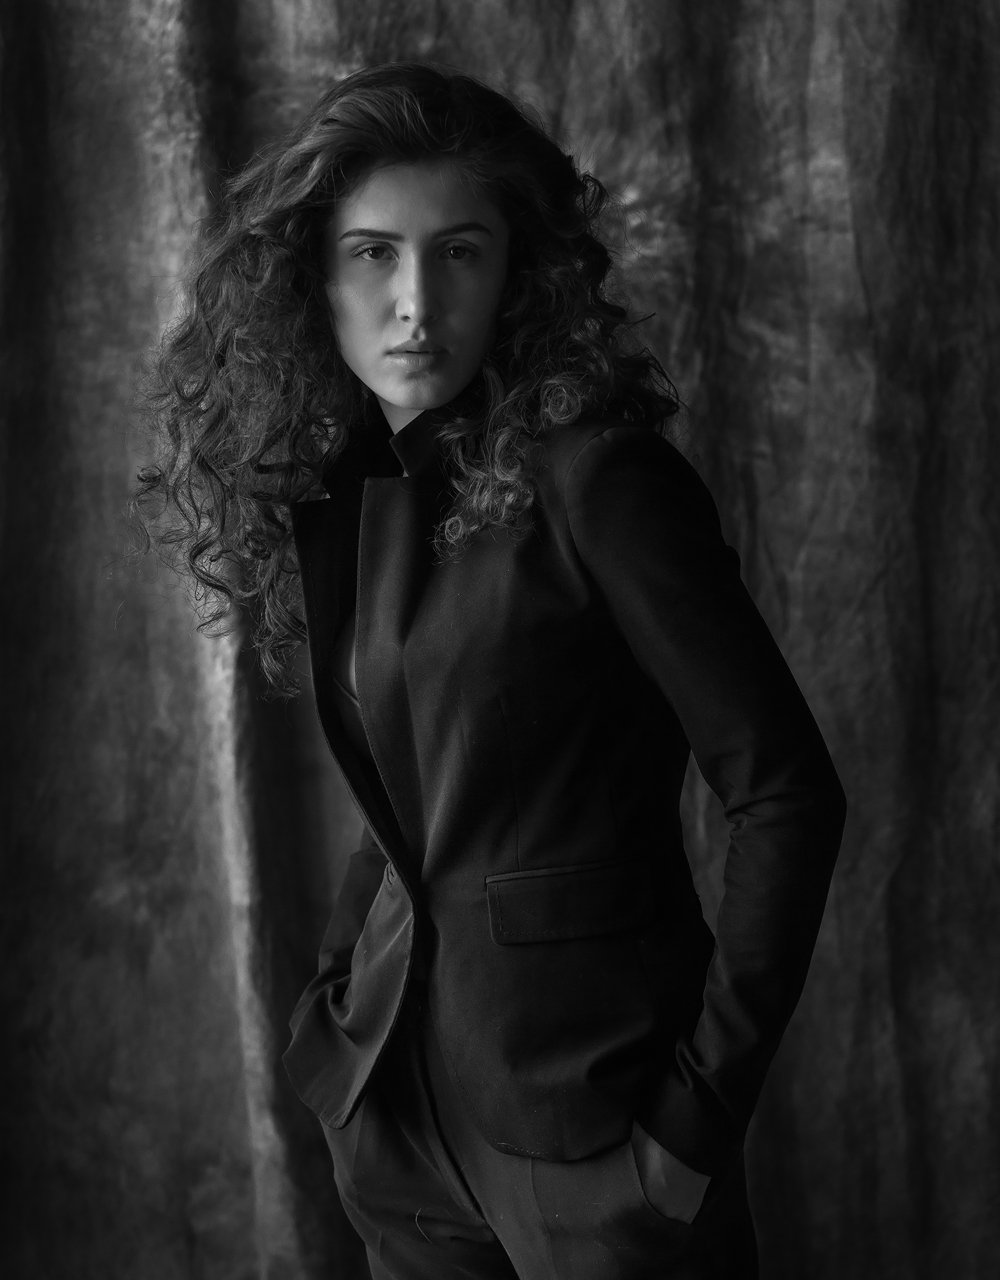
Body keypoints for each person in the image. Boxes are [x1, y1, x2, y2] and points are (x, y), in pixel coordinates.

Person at [136, 61, 846, 1280]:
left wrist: (694, 1120)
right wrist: (335, 989)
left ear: (517, 268)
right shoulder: (355, 488)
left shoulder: (600, 481)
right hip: (399, 1120)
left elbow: (785, 788)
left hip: (592, 1120)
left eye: (458, 252)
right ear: (312, 275)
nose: (414, 303)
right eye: (373, 253)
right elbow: (414, 797)